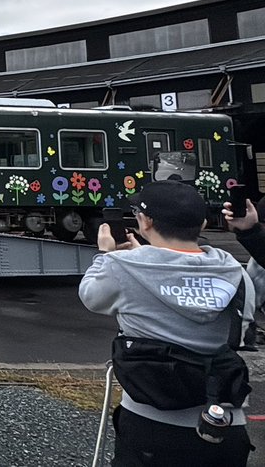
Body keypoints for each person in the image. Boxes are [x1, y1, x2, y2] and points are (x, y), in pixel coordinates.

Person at [79, 180, 262, 466]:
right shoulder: (237, 274)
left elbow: (91, 295)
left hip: (150, 424)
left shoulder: (122, 267)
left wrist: (106, 254)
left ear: (145, 222)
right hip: (224, 425)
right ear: (202, 224)